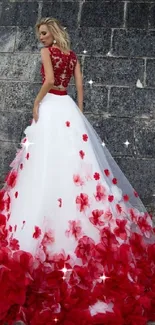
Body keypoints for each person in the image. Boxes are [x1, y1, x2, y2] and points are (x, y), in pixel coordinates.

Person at [0, 17, 155, 325]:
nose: (41, 39)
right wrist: (79, 111)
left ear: (53, 33)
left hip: (51, 105)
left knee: (44, 161)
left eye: (44, 33)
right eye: (39, 35)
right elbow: (79, 85)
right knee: (75, 165)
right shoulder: (72, 56)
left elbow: (48, 81)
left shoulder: (48, 53)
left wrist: (36, 103)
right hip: (68, 107)